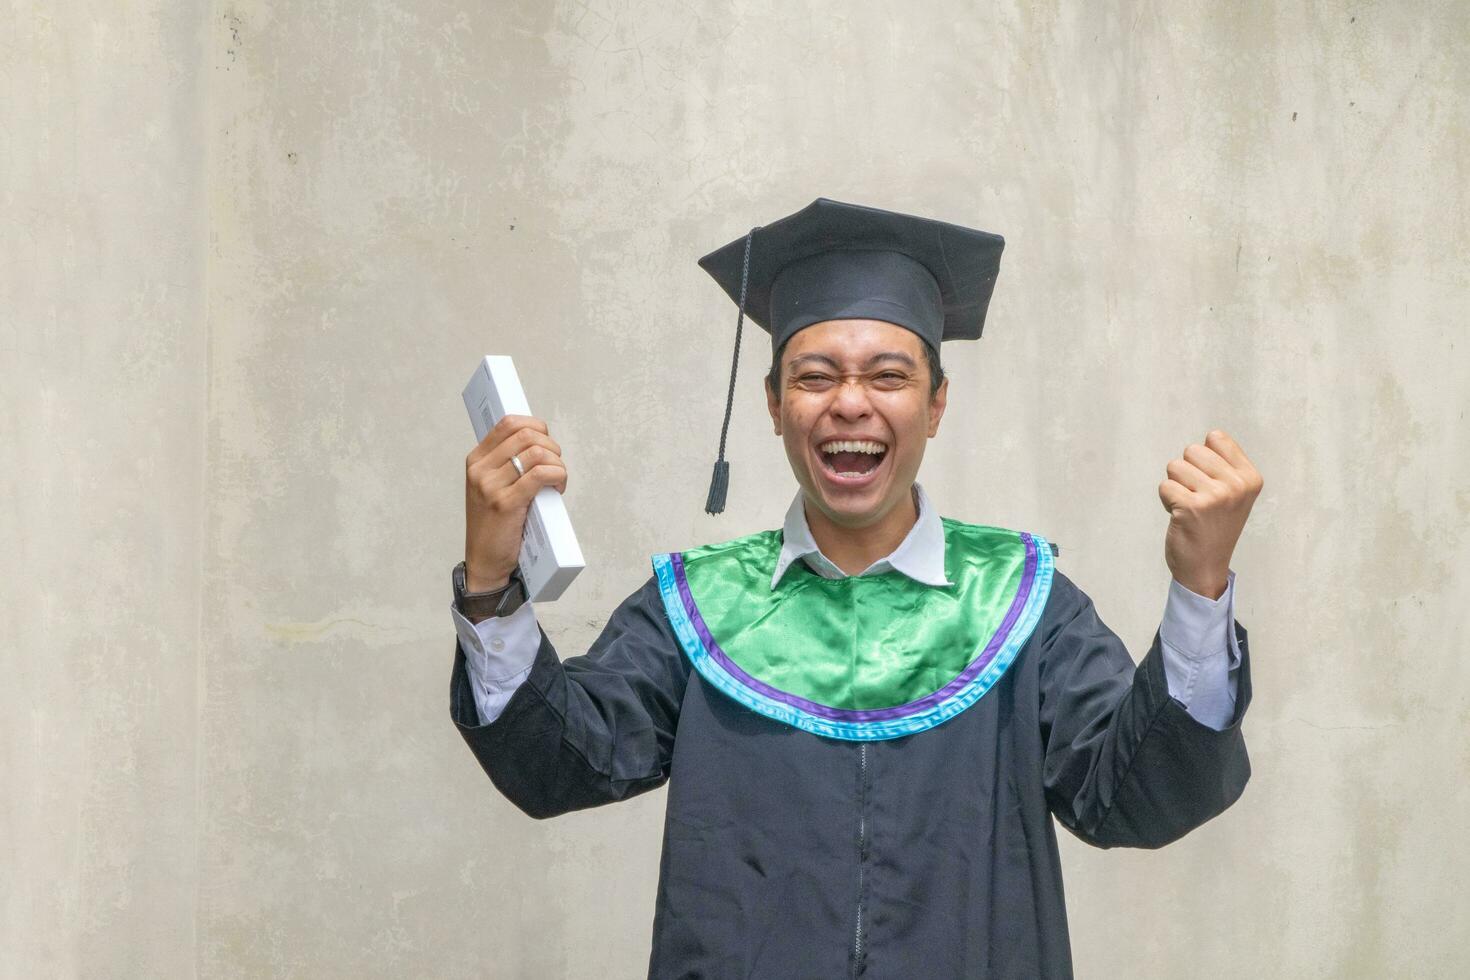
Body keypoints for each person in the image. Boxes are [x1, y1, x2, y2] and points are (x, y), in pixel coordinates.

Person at [447, 198, 1262, 978]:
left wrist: (1199, 587)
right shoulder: (696, 608)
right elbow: (557, 765)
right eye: (814, 376)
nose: (849, 404)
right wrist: (491, 579)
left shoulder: (1024, 603)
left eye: (888, 376)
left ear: (936, 404)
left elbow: (1133, 797)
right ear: (772, 404)